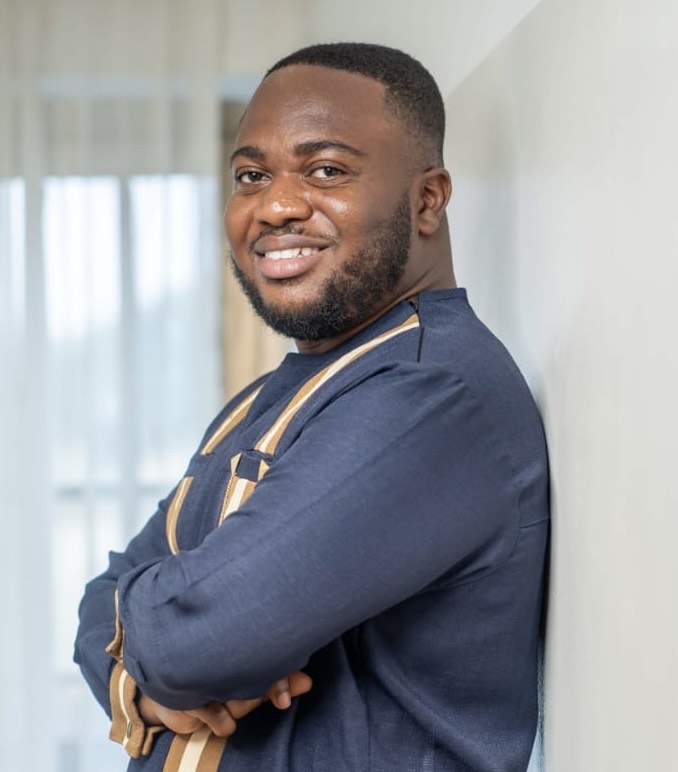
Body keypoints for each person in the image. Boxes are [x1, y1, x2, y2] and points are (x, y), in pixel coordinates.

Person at [74, 42, 549, 771]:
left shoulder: (430, 394)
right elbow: (106, 602)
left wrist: (154, 638)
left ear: (428, 200)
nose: (277, 206)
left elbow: (194, 640)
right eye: (251, 175)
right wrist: (144, 678)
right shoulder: (269, 397)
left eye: (326, 170)